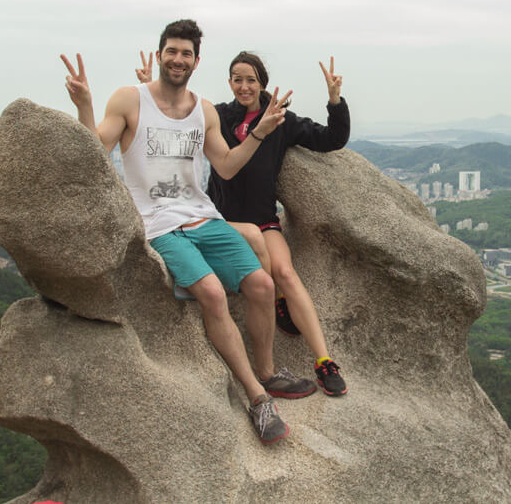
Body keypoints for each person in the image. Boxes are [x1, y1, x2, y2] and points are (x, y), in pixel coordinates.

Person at [62, 19, 315, 445]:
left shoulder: (204, 111)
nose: (177, 59)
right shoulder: (130, 99)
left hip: (203, 218)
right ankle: (256, 398)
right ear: (160, 54)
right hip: (156, 223)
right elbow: (96, 151)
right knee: (214, 294)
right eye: (171, 51)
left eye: (186, 54)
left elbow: (227, 165)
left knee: (261, 284)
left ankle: (268, 373)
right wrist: (84, 107)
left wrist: (260, 132)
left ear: (196, 62)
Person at [135, 50, 350, 396]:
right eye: (237, 78)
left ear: (262, 83)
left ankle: (324, 360)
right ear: (229, 82)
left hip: (263, 220)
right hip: (218, 221)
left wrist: (335, 100)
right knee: (256, 256)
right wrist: (149, 88)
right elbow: (173, 121)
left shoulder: (281, 119)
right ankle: (273, 309)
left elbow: (331, 140)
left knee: (285, 272)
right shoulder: (219, 115)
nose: (244, 86)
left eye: (251, 79)